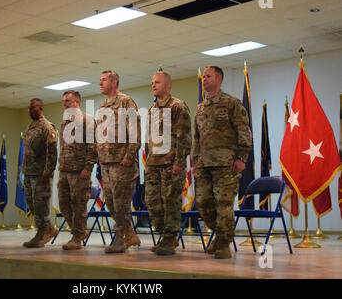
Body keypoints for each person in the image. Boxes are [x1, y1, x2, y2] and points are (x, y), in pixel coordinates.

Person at [192, 66, 252, 259]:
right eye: (204, 77)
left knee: (224, 204)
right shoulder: (201, 107)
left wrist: (242, 157)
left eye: (208, 76)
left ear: (219, 79)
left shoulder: (231, 103)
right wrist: (194, 161)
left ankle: (224, 243)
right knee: (203, 203)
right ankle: (219, 235)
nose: (204, 80)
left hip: (226, 164)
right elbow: (196, 137)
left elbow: (243, 130)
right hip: (204, 164)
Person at [145, 71, 192, 255]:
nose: (153, 85)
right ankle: (165, 235)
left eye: (157, 82)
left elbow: (184, 137)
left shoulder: (177, 107)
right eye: (152, 82)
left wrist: (179, 162)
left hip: (171, 164)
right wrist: (148, 161)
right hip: (153, 164)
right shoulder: (152, 110)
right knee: (152, 202)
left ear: (167, 85)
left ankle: (170, 238)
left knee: (170, 203)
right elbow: (150, 138)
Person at [97, 70, 141, 253]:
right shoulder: (101, 106)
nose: (100, 83)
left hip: (122, 162)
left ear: (114, 82)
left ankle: (120, 240)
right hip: (106, 163)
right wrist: (99, 158)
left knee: (121, 204)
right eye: (100, 80)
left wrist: (129, 156)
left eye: (104, 80)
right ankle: (129, 234)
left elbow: (135, 131)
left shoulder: (126, 102)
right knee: (110, 203)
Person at [58, 90, 98, 250]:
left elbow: (93, 145)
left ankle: (77, 237)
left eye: (68, 101)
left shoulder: (87, 120)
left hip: (79, 171)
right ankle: (79, 231)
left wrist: (88, 167)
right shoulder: (65, 122)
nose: (64, 104)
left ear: (77, 102)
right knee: (63, 205)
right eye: (64, 101)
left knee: (78, 205)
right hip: (64, 170)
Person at [22, 98, 58, 248]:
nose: (31, 110)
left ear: (41, 108)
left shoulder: (47, 127)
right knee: (31, 204)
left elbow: (52, 153)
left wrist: (47, 173)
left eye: (34, 108)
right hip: (29, 172)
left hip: (41, 174)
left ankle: (43, 232)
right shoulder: (30, 127)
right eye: (29, 108)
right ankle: (47, 228)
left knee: (40, 204)